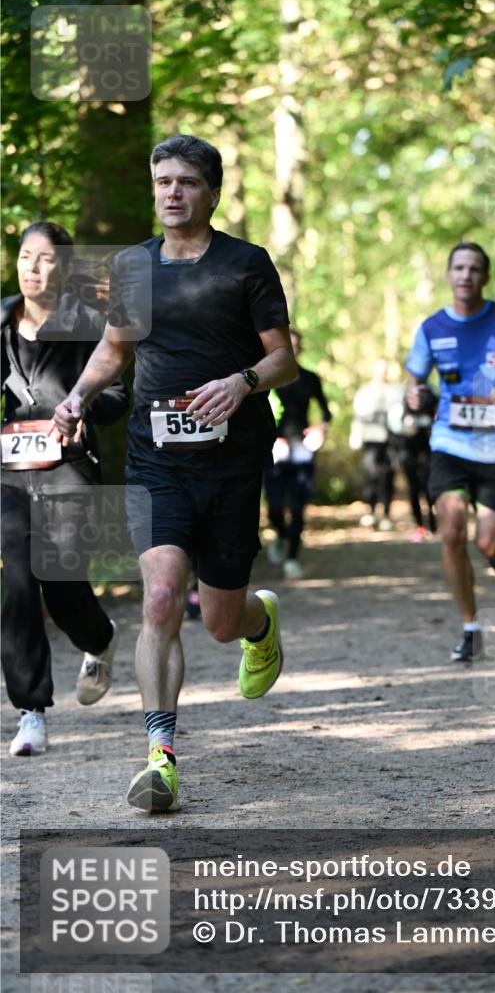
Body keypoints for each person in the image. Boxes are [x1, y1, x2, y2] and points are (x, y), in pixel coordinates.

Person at [52, 135, 296, 812]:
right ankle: (160, 757)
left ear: (211, 192)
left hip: (232, 461)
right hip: (156, 460)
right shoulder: (132, 266)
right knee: (160, 596)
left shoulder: (246, 265)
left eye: (186, 181)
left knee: (218, 620)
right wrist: (76, 396)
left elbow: (284, 361)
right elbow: (114, 348)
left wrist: (242, 381)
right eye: (162, 180)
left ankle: (257, 623)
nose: (171, 192)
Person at [1, 222, 129, 755]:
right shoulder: (1, 321)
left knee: (62, 578)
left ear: (65, 268)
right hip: (10, 469)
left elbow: (119, 396)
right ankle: (30, 711)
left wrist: (84, 407)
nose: (32, 268)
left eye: (45, 259)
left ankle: (98, 638)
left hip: (70, 464)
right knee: (19, 582)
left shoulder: (90, 325)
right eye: (26, 257)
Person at [405, 242, 495, 662]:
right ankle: (471, 625)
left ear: (486, 277)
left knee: (487, 543)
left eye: (475, 269)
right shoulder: (432, 327)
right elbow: (413, 379)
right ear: (449, 275)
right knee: (450, 529)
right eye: (459, 268)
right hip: (451, 443)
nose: (466, 275)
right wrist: (413, 394)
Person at [264, 328, 331, 579]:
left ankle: (293, 558)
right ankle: (281, 534)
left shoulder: (310, 378)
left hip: (302, 449)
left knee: (298, 506)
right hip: (274, 449)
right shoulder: (265, 378)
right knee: (274, 508)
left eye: (296, 346)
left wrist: (320, 429)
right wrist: (269, 440)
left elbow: (326, 411)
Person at [349, 359, 401, 531]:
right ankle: (370, 511)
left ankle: (386, 514)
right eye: (379, 369)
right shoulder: (365, 391)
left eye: (385, 370)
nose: (382, 373)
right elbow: (358, 417)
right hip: (371, 439)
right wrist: (355, 436)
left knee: (388, 476)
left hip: (390, 441)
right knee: (370, 474)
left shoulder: (395, 391)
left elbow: (400, 416)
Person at [387, 382, 438, 542]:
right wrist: (406, 426)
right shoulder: (400, 400)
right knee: (413, 489)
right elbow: (394, 425)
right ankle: (420, 526)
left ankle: (433, 524)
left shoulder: (432, 395)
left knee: (428, 487)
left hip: (426, 451)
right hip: (407, 452)